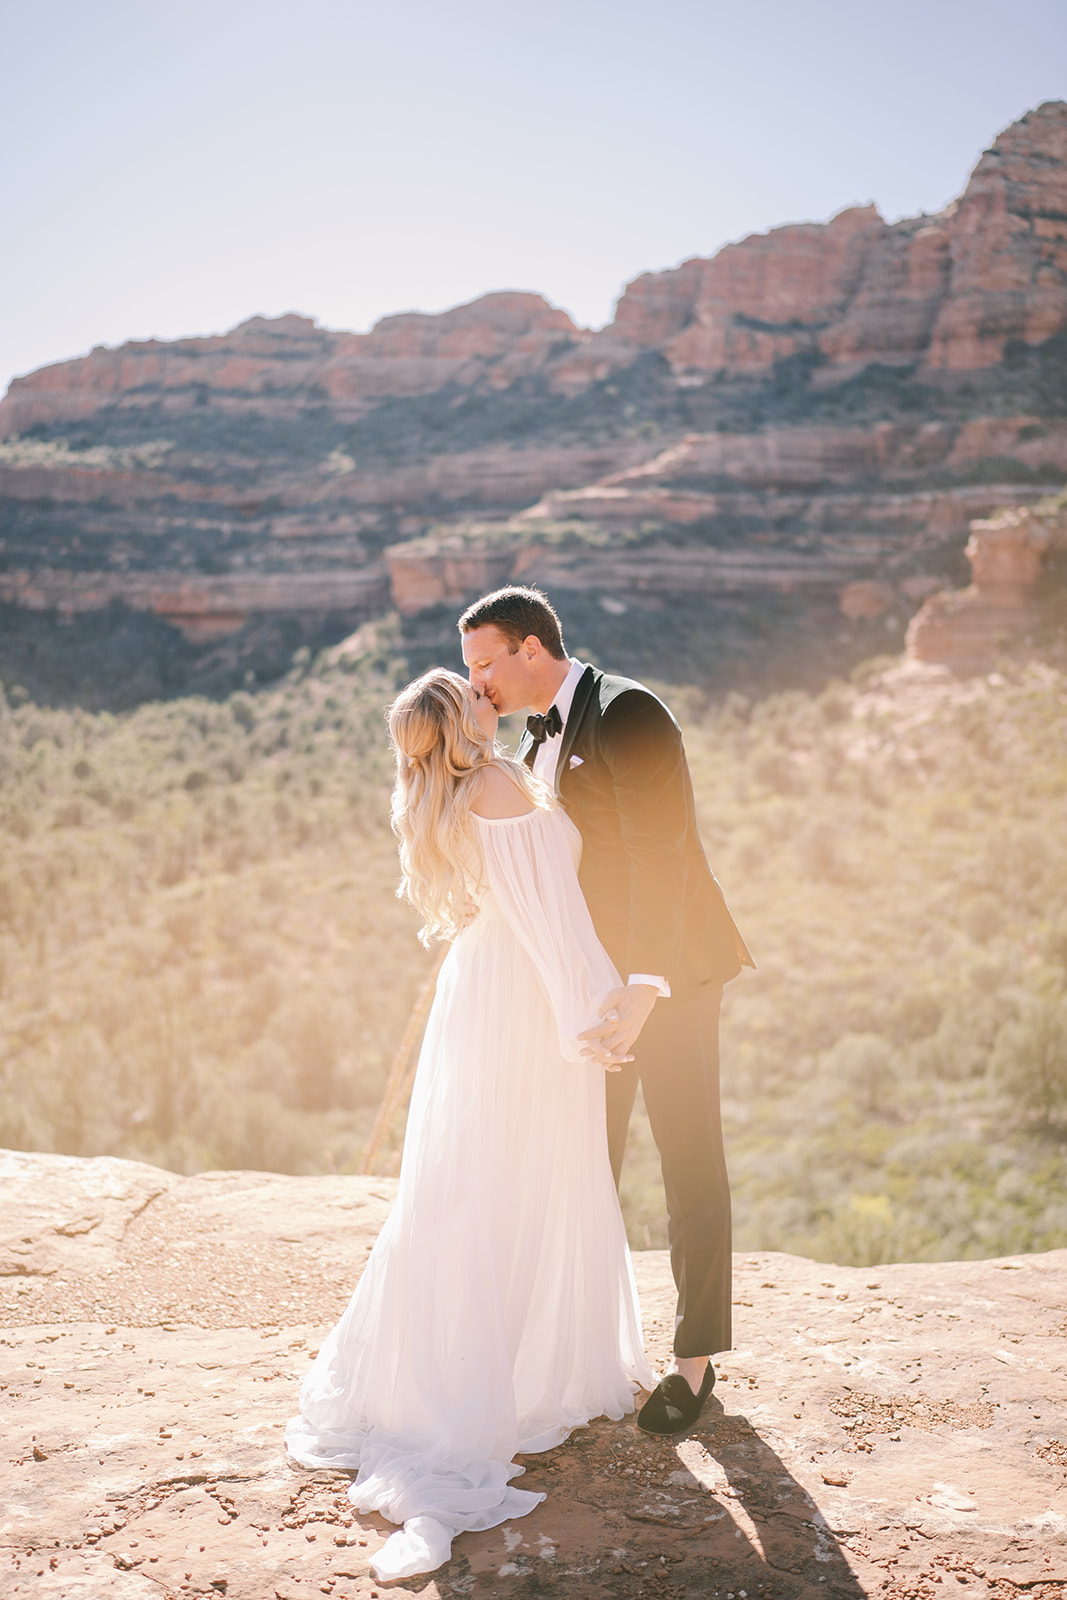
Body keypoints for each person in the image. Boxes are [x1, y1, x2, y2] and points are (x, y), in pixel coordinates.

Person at [285, 668, 654, 1582]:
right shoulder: (494, 784)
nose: (492, 694)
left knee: (468, 1179)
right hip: (525, 999)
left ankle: (463, 1363)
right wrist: (593, 1013)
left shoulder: (445, 793)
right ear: (463, 721)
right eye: (476, 692)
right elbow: (550, 915)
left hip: (480, 990)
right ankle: (504, 1376)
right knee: (519, 1174)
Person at [460, 586, 753, 1436]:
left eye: (484, 662)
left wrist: (644, 984)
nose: (475, 680)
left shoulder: (627, 713)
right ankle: (577, 1346)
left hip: (670, 978)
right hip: (593, 983)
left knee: (687, 1156)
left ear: (529, 648)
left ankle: (694, 1364)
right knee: (586, 1157)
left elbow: (663, 853)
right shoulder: (533, 729)